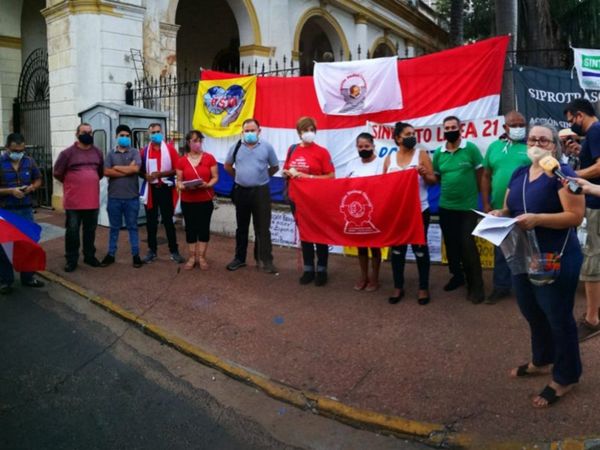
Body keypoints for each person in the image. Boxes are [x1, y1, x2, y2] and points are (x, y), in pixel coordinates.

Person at [491, 123, 584, 408]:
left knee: (558, 317)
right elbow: (511, 207)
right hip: (523, 256)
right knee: (532, 312)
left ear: (553, 146)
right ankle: (542, 359)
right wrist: (500, 213)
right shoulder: (520, 173)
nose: (536, 143)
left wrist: (538, 219)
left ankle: (566, 376)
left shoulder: (562, 174)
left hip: (556, 256)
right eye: (532, 138)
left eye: (543, 140)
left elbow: (575, 216)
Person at [432, 116, 485, 303]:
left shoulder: (470, 149)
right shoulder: (438, 153)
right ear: (443, 131)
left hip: (467, 207)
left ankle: (476, 287)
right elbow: (437, 177)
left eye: (453, 127)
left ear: (460, 129)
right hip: (446, 207)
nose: (450, 130)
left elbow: (481, 175)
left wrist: (478, 197)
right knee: (452, 246)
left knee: (467, 246)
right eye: (447, 127)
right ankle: (457, 276)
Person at [384, 122, 436, 305]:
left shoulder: (421, 154)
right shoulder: (389, 159)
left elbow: (433, 180)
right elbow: (383, 185)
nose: (412, 136)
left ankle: (423, 287)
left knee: (420, 250)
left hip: (419, 210)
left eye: (414, 133)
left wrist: (424, 174)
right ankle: (398, 286)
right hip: (398, 212)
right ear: (398, 138)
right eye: (407, 134)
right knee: (397, 250)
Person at [481, 111, 530, 304]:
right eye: (514, 125)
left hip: (525, 208)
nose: (518, 128)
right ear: (505, 128)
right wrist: (485, 203)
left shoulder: (531, 147)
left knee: (527, 248)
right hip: (498, 208)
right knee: (501, 249)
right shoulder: (494, 147)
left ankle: (526, 289)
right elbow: (485, 175)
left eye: (521, 124)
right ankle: (501, 287)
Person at [283, 116, 335, 286]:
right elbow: (286, 169)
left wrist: (309, 176)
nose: (309, 133)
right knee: (305, 233)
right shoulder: (292, 149)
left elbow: (330, 176)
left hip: (317, 200)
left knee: (319, 233)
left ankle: (321, 269)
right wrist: (287, 173)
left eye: (311, 130)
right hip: (297, 199)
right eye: (305, 130)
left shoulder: (322, 152)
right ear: (299, 133)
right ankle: (308, 269)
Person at [564, 98, 600, 341]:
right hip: (594, 203)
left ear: (579, 115)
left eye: (571, 120)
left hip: (595, 205)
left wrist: (571, 175)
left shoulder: (595, 131)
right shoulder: (592, 135)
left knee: (591, 259)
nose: (571, 126)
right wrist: (581, 152)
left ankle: (592, 319)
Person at [224, 118, 279, 273]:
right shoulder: (235, 147)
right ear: (242, 132)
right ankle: (239, 259)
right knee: (241, 228)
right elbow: (228, 166)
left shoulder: (267, 147)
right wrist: (238, 176)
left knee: (262, 228)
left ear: (259, 131)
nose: (249, 133)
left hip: (261, 192)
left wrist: (262, 176)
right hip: (241, 191)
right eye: (246, 131)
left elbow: (275, 166)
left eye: (252, 130)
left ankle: (265, 260)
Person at [53, 123, 104, 272]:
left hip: (92, 200)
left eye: (90, 132)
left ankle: (89, 256)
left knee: (90, 231)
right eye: (84, 132)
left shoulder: (98, 153)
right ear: (77, 134)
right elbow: (57, 172)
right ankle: (71, 259)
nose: (87, 134)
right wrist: (73, 183)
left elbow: (100, 173)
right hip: (73, 202)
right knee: (72, 232)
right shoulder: (67, 153)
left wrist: (88, 179)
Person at [0, 132, 44, 293]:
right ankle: (6, 281)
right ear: (7, 148)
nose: (18, 153)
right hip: (6, 212)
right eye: (15, 150)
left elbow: (38, 179)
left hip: (25, 210)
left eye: (21, 150)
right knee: (4, 247)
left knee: (27, 244)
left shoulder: (29, 161)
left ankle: (28, 277)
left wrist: (32, 187)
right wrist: (10, 191)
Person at [139, 122, 184, 264]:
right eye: (153, 133)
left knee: (168, 221)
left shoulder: (170, 149)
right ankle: (152, 251)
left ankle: (174, 251)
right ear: (149, 135)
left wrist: (162, 174)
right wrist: (144, 176)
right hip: (151, 190)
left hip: (165, 189)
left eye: (158, 132)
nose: (155, 135)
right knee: (150, 223)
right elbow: (139, 169)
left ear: (162, 133)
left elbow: (178, 169)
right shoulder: (144, 151)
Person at [100, 125, 143, 268]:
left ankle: (136, 255)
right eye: (122, 135)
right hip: (114, 198)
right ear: (117, 137)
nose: (125, 138)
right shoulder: (110, 154)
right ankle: (111, 254)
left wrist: (116, 167)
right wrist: (127, 170)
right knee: (114, 228)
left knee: (133, 227)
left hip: (132, 198)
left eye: (127, 136)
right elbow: (106, 172)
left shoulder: (135, 152)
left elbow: (136, 169)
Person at [346, 132, 384, 292]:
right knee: (361, 246)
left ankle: (375, 277)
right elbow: (344, 186)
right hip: (355, 212)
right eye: (360, 147)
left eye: (367, 146)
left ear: (373, 146)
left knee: (374, 245)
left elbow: (385, 186)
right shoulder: (352, 164)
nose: (363, 149)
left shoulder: (381, 163)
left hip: (374, 210)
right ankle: (363, 276)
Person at [175, 130, 218, 270]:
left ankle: (202, 257)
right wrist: (183, 186)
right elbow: (179, 181)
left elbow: (215, 177)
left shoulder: (209, 158)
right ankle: (192, 257)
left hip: (205, 199)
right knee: (191, 229)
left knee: (204, 229)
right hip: (188, 200)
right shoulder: (181, 160)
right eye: (194, 141)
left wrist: (208, 184)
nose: (198, 143)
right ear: (188, 142)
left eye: (200, 140)